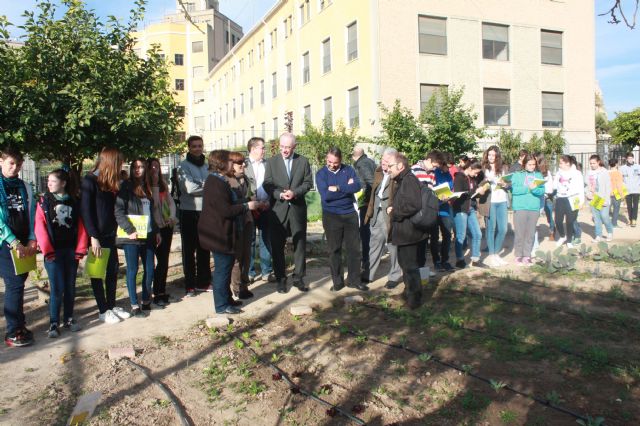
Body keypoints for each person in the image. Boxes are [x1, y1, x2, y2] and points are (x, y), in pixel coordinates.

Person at [198, 150, 259, 314]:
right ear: (222, 163)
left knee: (226, 267)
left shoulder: (220, 180)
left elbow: (229, 202)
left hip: (225, 233)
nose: (233, 164)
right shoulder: (215, 182)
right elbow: (225, 210)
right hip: (219, 234)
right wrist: (246, 206)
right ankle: (221, 306)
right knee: (222, 271)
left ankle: (228, 299)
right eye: (230, 161)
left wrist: (246, 201)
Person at [35, 169, 88, 337]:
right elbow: (39, 226)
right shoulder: (44, 201)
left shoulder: (74, 201)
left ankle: (69, 319)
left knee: (70, 287)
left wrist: (80, 248)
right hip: (53, 252)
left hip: (70, 251)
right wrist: (47, 250)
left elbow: (81, 226)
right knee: (57, 288)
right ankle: (53, 323)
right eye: (48, 181)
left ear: (63, 183)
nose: (49, 184)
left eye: (53, 181)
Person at [81, 147, 130, 324]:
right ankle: (103, 310)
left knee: (112, 270)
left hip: (110, 234)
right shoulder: (89, 181)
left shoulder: (109, 181)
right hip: (96, 236)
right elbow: (86, 212)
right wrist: (93, 237)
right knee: (97, 273)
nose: (121, 166)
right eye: (119, 163)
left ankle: (111, 305)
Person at [263, 133, 313, 293]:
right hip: (278, 209)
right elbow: (267, 184)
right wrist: (279, 194)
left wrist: (295, 192)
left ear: (294, 147)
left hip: (297, 208)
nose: (285, 150)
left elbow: (308, 183)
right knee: (277, 245)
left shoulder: (303, 161)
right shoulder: (272, 162)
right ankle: (281, 279)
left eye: (288, 147)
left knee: (300, 243)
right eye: (282, 147)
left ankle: (299, 278)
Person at [115, 159, 161, 318]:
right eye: (134, 167)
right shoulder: (126, 187)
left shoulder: (148, 187)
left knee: (150, 269)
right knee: (133, 270)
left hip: (148, 234)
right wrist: (130, 230)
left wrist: (156, 231)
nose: (137, 170)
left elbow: (152, 212)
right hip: (132, 237)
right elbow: (118, 211)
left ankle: (146, 300)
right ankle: (134, 305)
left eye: (141, 167)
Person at [1, 147, 37, 347]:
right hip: (6, 243)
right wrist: (13, 241)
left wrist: (32, 238)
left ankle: (19, 325)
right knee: (14, 284)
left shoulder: (26, 186)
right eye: (11, 163)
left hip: (24, 242)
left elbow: (31, 214)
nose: (15, 168)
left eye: (18, 164)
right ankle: (12, 331)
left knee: (20, 282)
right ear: (1, 162)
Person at [317, 147, 366, 292]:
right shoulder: (321, 174)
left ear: (341, 161)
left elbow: (357, 186)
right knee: (334, 250)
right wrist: (346, 187)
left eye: (335, 163)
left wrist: (337, 188)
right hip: (331, 215)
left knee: (354, 249)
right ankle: (337, 282)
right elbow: (326, 196)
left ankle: (354, 280)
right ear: (326, 158)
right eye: (329, 162)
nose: (332, 165)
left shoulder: (349, 170)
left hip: (350, 214)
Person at [387, 153, 428, 309]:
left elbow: (413, 205)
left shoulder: (409, 180)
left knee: (410, 267)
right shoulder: (403, 179)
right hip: (405, 231)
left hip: (409, 233)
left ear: (400, 166)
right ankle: (408, 294)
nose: (388, 169)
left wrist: (394, 212)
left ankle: (414, 301)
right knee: (405, 264)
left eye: (390, 166)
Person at [363, 148, 403, 288]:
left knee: (393, 246)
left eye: (386, 161)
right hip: (376, 212)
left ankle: (394, 276)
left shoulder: (398, 174)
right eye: (382, 160)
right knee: (374, 244)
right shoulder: (378, 171)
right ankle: (368, 274)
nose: (383, 163)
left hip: (390, 214)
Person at [178, 135, 211, 296]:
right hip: (188, 212)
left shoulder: (206, 165)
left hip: (205, 211)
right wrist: (206, 186)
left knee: (204, 248)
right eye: (194, 146)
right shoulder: (183, 166)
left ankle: (203, 282)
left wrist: (202, 185)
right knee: (189, 250)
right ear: (189, 148)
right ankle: (190, 284)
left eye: (200, 145)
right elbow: (189, 188)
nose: (198, 149)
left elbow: (212, 184)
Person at [227, 151, 258, 299]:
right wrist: (247, 204)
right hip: (235, 223)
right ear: (231, 165)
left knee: (247, 255)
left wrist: (256, 202)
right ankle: (237, 287)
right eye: (239, 163)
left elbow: (249, 196)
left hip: (247, 220)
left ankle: (244, 285)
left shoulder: (245, 179)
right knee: (237, 257)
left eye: (243, 162)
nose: (243, 165)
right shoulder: (227, 181)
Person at [244, 137, 274, 283]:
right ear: (253, 149)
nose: (264, 150)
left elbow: (273, 184)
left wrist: (268, 202)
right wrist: (251, 201)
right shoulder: (243, 164)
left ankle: (266, 272)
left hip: (266, 207)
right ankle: (249, 272)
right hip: (249, 208)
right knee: (249, 241)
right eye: (262, 147)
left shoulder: (268, 164)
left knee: (266, 239)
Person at [148, 158, 177, 306]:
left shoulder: (163, 183)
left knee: (164, 260)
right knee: (152, 262)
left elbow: (170, 202)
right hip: (154, 228)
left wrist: (172, 217)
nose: (155, 169)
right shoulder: (146, 185)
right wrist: (154, 185)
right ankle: (153, 292)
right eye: (152, 166)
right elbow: (154, 205)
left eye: (157, 166)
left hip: (167, 226)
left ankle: (161, 290)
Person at [511, 155, 545, 266]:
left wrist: (535, 189)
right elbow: (514, 190)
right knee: (519, 233)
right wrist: (528, 188)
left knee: (530, 233)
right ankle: (518, 256)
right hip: (520, 207)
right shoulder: (517, 175)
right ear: (524, 164)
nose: (532, 166)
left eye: (534, 164)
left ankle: (527, 255)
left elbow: (541, 191)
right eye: (529, 164)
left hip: (534, 207)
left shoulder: (538, 175)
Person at [452, 160, 484, 268]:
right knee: (461, 236)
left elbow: (472, 194)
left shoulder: (472, 179)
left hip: (470, 209)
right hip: (461, 209)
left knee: (477, 234)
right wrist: (475, 191)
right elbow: (459, 194)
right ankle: (460, 260)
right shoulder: (459, 177)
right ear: (470, 168)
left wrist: (479, 193)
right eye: (476, 172)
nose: (476, 175)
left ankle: (476, 259)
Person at [481, 146, 509, 267]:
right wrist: (485, 182)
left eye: (493, 155)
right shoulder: (483, 168)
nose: (491, 157)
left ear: (497, 156)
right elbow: (479, 183)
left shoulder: (504, 167)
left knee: (503, 229)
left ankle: (496, 253)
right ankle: (492, 255)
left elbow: (509, 184)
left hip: (502, 200)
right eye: (489, 155)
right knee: (491, 229)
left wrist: (505, 184)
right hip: (490, 201)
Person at [351, 146, 376, 275]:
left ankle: (366, 262)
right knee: (368, 232)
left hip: (365, 202)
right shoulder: (370, 161)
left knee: (365, 232)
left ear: (354, 156)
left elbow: (371, 182)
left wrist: (368, 198)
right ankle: (367, 260)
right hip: (368, 201)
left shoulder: (362, 164)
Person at [554, 155, 584, 248]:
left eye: (561, 163)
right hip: (560, 198)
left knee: (570, 221)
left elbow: (581, 188)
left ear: (567, 163)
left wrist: (581, 201)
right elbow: (554, 186)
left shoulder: (577, 173)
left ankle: (569, 241)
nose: (559, 165)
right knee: (558, 221)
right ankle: (563, 236)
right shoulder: (558, 173)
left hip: (573, 198)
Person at [432, 159, 454, 271]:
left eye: (450, 167)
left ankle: (445, 260)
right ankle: (436, 261)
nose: (448, 169)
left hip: (445, 209)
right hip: (434, 210)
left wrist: (451, 196)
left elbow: (450, 188)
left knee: (447, 235)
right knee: (434, 237)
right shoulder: (434, 173)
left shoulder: (448, 175)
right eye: (447, 167)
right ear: (442, 164)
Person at [586, 155, 613, 242]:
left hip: (603, 198)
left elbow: (608, 186)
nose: (592, 165)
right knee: (596, 218)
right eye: (590, 163)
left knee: (604, 216)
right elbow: (586, 185)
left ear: (598, 162)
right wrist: (588, 194)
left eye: (594, 163)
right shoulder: (589, 173)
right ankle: (598, 235)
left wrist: (606, 199)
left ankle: (610, 232)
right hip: (594, 198)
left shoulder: (604, 172)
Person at [620, 152, 640, 227]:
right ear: (626, 159)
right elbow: (621, 179)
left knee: (635, 205)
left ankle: (634, 219)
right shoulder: (622, 168)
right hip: (627, 190)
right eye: (629, 158)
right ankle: (630, 219)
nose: (630, 160)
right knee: (629, 205)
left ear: (633, 158)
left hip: (636, 189)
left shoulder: (638, 167)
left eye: (631, 158)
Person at [608, 159, 624, 228]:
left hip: (607, 193)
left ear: (609, 164)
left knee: (606, 209)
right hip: (616, 193)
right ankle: (614, 224)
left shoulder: (606, 173)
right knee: (616, 209)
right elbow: (619, 185)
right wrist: (622, 195)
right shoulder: (618, 173)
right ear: (616, 164)